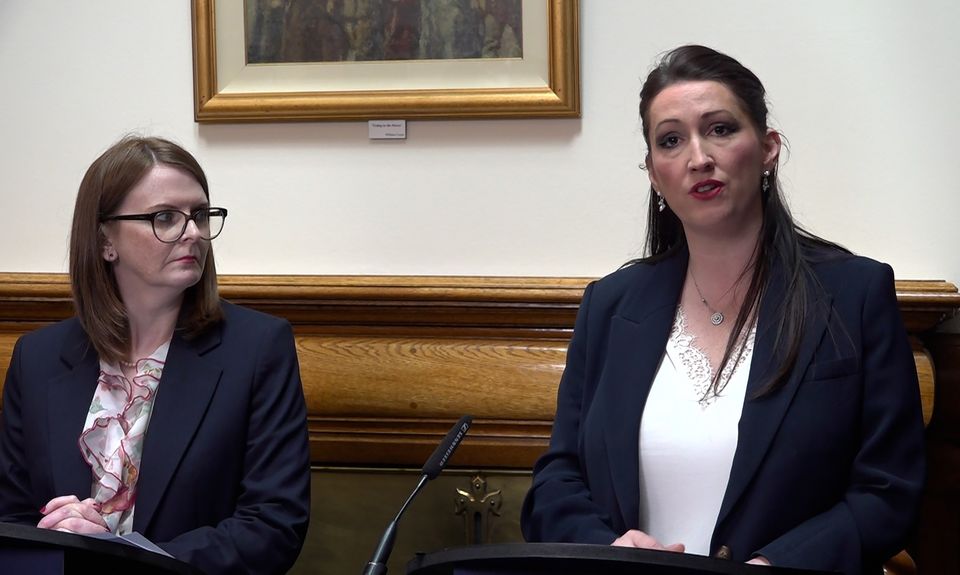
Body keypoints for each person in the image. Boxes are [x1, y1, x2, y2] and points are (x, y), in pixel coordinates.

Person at [520, 45, 925, 575]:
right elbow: (557, 480)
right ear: (652, 173)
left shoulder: (855, 293)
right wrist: (608, 548)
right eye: (671, 140)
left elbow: (887, 490)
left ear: (767, 148)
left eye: (720, 129)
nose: (698, 157)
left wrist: (777, 564)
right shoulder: (611, 305)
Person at [0, 136, 311, 574]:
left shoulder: (258, 348)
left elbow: (273, 526)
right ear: (105, 240)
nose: (194, 233)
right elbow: (11, 519)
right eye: (166, 217)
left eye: (200, 215)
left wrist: (124, 555)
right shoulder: (38, 357)